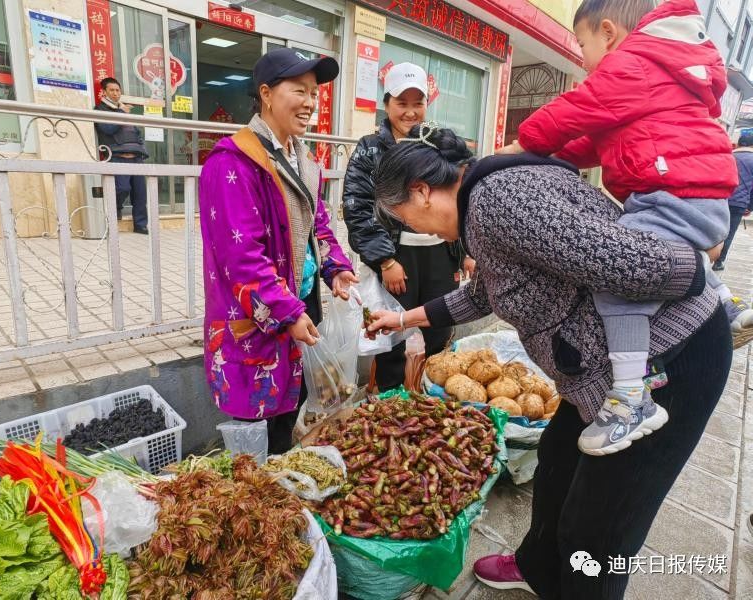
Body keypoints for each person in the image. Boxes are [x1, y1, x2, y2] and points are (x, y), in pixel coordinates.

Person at [367, 124, 731, 599]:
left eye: (407, 220)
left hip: (665, 359)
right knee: (556, 465)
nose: (417, 232)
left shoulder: (497, 203)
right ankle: (538, 569)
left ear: (421, 192)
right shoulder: (483, 207)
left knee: (597, 532)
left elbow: (625, 261)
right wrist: (403, 320)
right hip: (600, 377)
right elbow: (486, 291)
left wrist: (697, 271)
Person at [498, 0, 751, 456]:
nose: (581, 56)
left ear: (608, 33)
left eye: (582, 43)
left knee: (619, 282)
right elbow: (591, 142)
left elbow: (575, 111)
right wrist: (548, 158)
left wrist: (523, 143)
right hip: (700, 195)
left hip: (670, 194)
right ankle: (724, 304)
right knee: (670, 254)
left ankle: (631, 399)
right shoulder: (661, 70)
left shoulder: (629, 65)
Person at [199, 48, 357, 454]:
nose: (310, 103)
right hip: (262, 314)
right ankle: (258, 497)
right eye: (299, 91)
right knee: (257, 419)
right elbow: (242, 257)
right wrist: (286, 311)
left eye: (315, 94)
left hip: (301, 305)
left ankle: (282, 480)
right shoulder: (233, 161)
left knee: (291, 402)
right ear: (266, 94)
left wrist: (335, 267)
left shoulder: (304, 159)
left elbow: (317, 221)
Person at [342, 62, 473, 393]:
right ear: (386, 104)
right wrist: (385, 260)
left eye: (418, 103)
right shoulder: (370, 148)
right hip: (398, 259)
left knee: (439, 330)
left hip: (440, 256)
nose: (411, 112)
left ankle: (432, 398)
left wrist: (467, 250)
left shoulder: (437, 142)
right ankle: (389, 405)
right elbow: (356, 207)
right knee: (392, 338)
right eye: (402, 103)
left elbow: (462, 196)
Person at [95, 77, 149, 235]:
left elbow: (136, 132)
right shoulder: (100, 110)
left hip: (136, 157)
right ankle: (115, 209)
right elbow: (107, 130)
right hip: (117, 155)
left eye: (118, 90)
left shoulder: (123, 109)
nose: (115, 93)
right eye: (111, 90)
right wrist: (121, 112)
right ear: (104, 92)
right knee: (122, 188)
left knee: (140, 194)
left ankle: (140, 225)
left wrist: (141, 147)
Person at [714, 130, 753, 271]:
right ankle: (718, 262)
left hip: (719, 199)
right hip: (739, 204)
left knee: (713, 229)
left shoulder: (727, 156)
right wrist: (750, 206)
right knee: (728, 234)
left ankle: (704, 257)